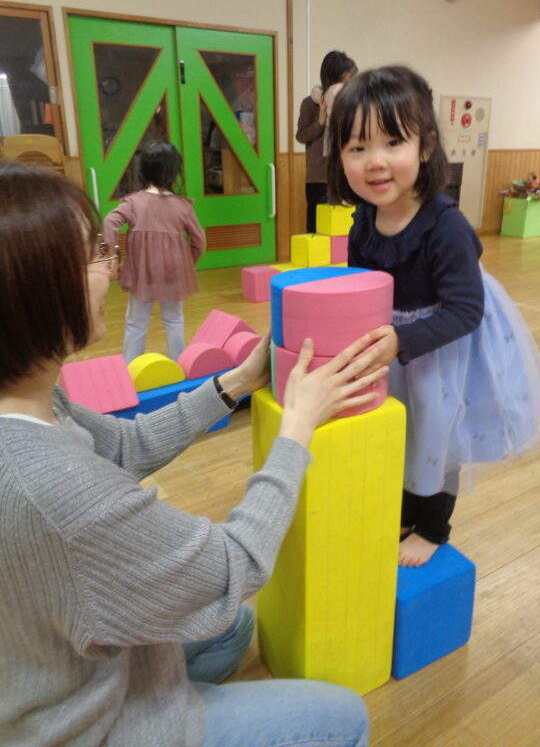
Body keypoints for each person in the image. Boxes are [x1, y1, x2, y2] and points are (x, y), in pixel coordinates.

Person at [0, 162, 387, 745]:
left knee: (232, 629)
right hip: (83, 728)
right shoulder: (56, 490)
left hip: (51, 661)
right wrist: (296, 430)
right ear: (36, 289)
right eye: (96, 256)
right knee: (347, 718)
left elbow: (123, 445)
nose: (112, 267)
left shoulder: (30, 400)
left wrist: (235, 383)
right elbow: (236, 564)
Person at [326, 65, 540, 568]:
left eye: (393, 143)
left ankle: (433, 527)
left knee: (437, 434)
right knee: (403, 430)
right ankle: (407, 511)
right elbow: (360, 287)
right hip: (397, 343)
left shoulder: (444, 226)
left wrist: (401, 340)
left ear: (425, 146)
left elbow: (467, 310)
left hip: (445, 345)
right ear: (339, 157)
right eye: (358, 147)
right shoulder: (363, 220)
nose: (375, 161)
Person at [103, 140, 206, 364]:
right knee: (174, 320)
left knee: (136, 322)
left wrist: (112, 256)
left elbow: (110, 222)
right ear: (174, 171)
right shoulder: (182, 206)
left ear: (143, 170)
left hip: (141, 274)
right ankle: (179, 365)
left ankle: (131, 368)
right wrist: (187, 263)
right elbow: (199, 242)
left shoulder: (133, 202)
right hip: (173, 273)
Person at [296, 50, 357, 232]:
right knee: (316, 231)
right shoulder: (310, 103)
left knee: (346, 229)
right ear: (341, 77)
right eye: (349, 78)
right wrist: (320, 122)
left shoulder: (349, 103)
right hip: (319, 177)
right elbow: (301, 136)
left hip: (346, 175)